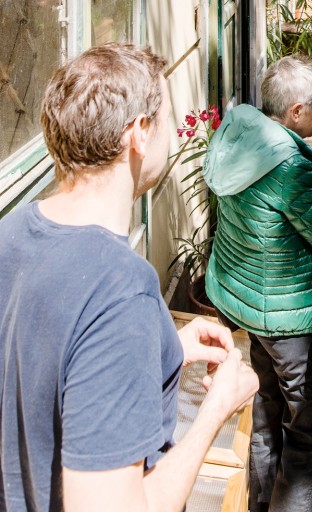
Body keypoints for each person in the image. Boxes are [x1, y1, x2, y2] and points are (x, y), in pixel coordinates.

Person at [0, 43, 258, 512]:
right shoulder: (121, 290)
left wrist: (164, 351)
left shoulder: (11, 235)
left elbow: (43, 372)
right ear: (139, 133)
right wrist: (215, 410)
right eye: (167, 119)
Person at [203, 55, 312, 512]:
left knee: (267, 416)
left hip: (249, 303)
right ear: (296, 112)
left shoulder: (240, 132)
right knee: (308, 432)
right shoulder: (290, 165)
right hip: (292, 318)